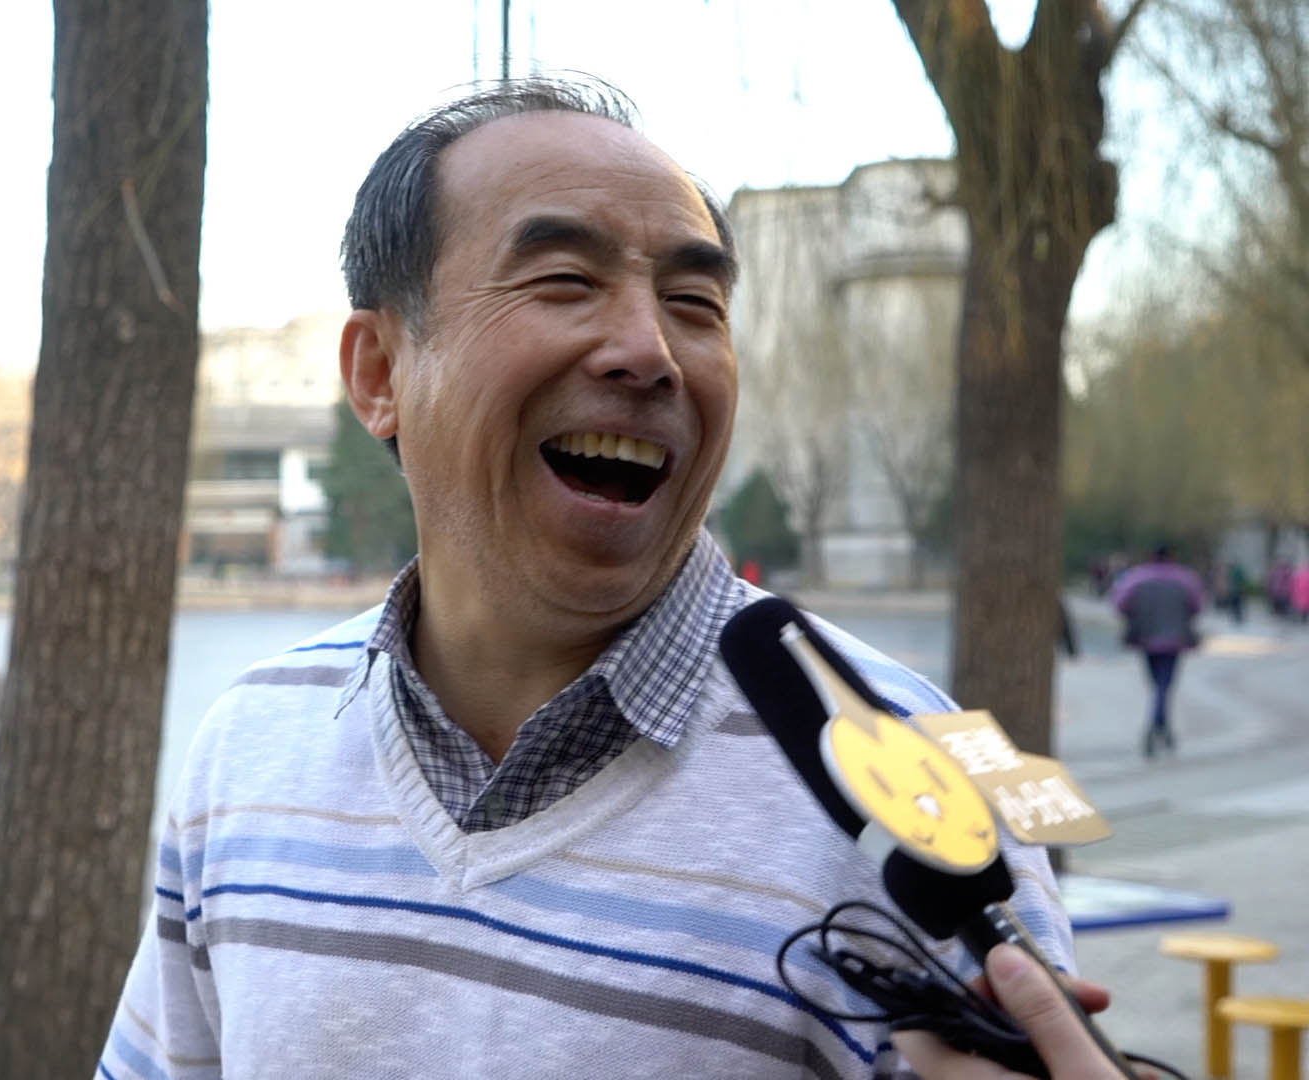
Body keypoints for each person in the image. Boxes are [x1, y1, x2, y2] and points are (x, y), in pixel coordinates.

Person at [99, 78, 1086, 1079]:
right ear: (380, 372)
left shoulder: (910, 785)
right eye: (565, 281)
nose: (650, 353)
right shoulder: (251, 742)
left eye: (694, 305)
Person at [1108, 546, 1206, 759]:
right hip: (1174, 640)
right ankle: (1159, 725)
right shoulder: (1185, 578)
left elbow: (1119, 604)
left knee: (1158, 684)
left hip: (1147, 638)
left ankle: (1159, 726)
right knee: (1164, 684)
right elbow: (1197, 606)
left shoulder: (1137, 577)